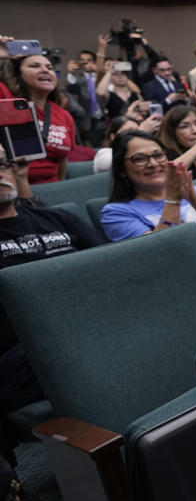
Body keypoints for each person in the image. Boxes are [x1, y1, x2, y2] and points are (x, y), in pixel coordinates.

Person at [0, 148, 105, 418]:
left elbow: (111, 266)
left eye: (2, 163)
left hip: (95, 325)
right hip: (28, 352)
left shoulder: (58, 218)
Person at [100, 131, 196, 241]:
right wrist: (173, 200)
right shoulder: (115, 213)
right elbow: (159, 253)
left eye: (158, 156)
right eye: (139, 159)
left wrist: (195, 201)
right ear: (122, 170)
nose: (153, 164)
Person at [3, 54, 75, 183]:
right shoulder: (6, 100)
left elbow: (62, 161)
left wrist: (60, 188)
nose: (45, 70)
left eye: (50, 67)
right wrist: (3, 54)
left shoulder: (64, 115)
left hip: (51, 189)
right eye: (34, 66)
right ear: (18, 75)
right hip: (12, 190)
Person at [65, 47, 107, 146]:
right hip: (88, 120)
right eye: (82, 61)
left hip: (105, 118)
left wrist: (99, 73)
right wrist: (71, 73)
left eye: (89, 60)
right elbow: (71, 89)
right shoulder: (78, 78)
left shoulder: (102, 74)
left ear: (94, 62)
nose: (85, 63)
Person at [93, 115, 160, 173]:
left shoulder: (145, 151)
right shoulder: (104, 153)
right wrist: (140, 133)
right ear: (113, 137)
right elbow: (118, 162)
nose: (135, 134)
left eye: (136, 131)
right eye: (129, 131)